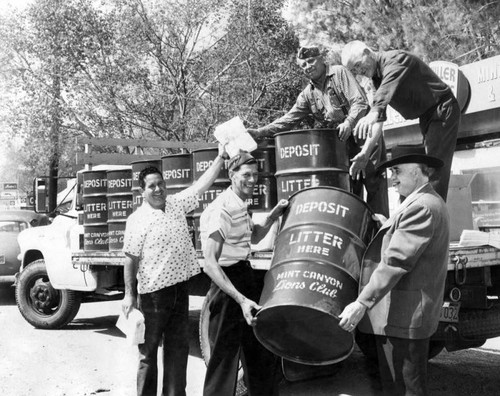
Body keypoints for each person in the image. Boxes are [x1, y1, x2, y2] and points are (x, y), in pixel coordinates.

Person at [338, 144, 450, 395]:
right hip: (403, 316)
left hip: (404, 317)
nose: (393, 178)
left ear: (418, 172)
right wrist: (387, 224)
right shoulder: (424, 201)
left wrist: (362, 303)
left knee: (403, 389)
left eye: (397, 171)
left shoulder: (421, 207)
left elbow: (396, 262)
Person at [121, 144, 227, 396]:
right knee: (148, 353)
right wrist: (129, 294)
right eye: (151, 186)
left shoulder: (176, 204)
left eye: (160, 184)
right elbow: (130, 259)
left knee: (178, 350)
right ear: (142, 191)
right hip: (154, 295)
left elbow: (200, 186)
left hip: (180, 290)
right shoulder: (136, 220)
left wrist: (220, 158)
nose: (158, 189)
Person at [247, 45, 389, 217]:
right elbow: (288, 120)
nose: (308, 66)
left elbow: (360, 102)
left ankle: (382, 234)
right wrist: (259, 132)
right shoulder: (308, 94)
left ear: (322, 59)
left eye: (311, 61)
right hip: (343, 145)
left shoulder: (338, 73)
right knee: (351, 192)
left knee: (375, 187)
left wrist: (349, 122)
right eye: (303, 65)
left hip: (365, 136)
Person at [200, 151, 288, 396]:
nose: (253, 180)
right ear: (231, 174)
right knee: (224, 360)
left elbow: (255, 236)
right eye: (246, 175)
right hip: (227, 286)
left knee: (260, 352)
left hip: (244, 276)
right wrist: (241, 299)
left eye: (256, 175)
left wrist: (273, 216)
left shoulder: (239, 204)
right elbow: (210, 264)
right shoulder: (222, 209)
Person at [341, 40, 461, 201]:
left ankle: (433, 217)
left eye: (357, 64)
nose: (358, 71)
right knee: (421, 171)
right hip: (427, 117)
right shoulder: (377, 79)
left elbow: (382, 97)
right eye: (353, 70)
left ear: (367, 53)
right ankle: (414, 214)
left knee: (434, 170)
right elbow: (379, 122)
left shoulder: (395, 60)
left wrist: (373, 112)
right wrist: (365, 153)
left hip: (443, 109)